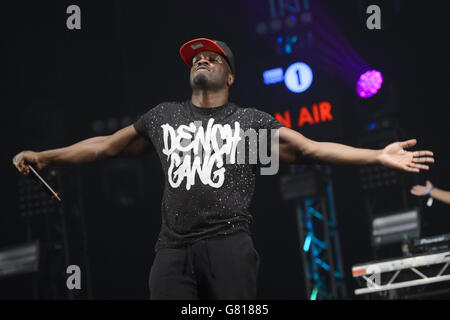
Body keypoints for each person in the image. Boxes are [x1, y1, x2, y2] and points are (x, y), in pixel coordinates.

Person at [12, 38, 435, 300]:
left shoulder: (248, 123)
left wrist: (377, 155)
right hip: (172, 250)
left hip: (229, 245)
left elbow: (310, 149)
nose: (201, 60)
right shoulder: (164, 117)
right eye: (196, 58)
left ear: (229, 76)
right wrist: (45, 157)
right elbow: (104, 147)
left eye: (212, 58)